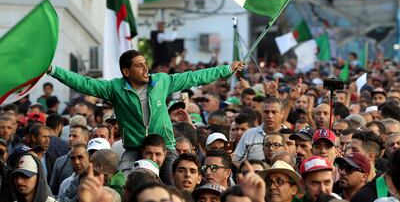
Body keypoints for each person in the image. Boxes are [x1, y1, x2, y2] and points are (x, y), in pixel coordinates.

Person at [47, 49, 244, 176]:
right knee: (123, 182)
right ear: (126, 72)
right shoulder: (114, 88)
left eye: (145, 64)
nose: (145, 69)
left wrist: (226, 68)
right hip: (135, 148)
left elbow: (195, 77)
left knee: (175, 181)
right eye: (139, 65)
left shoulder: (162, 81)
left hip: (165, 146)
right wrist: (53, 70)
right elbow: (83, 83)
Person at [232, 97, 284, 166]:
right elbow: (235, 160)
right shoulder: (249, 134)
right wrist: (250, 172)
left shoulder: (289, 135)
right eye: (266, 112)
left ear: (282, 114)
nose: (270, 116)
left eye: (274, 112)